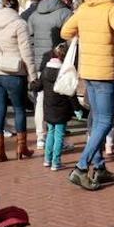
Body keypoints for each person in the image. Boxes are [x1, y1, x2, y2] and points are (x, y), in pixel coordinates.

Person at [60, 0, 114, 190]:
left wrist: (88, 35)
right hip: (104, 73)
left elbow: (66, 31)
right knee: (105, 121)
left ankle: (99, 166)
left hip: (88, 72)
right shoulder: (112, 8)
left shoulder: (85, 8)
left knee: (95, 118)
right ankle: (81, 167)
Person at [0, 0, 37, 162]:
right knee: (19, 109)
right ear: (16, 6)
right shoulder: (19, 23)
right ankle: (21, 147)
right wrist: (33, 75)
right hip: (14, 73)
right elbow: (26, 52)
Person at [28, 0, 74, 150]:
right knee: (61, 100)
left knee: (41, 100)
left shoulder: (34, 15)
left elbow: (30, 38)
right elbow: (72, 39)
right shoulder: (65, 14)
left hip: (41, 62)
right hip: (59, 62)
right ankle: (59, 139)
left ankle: (41, 136)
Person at [32, 41, 82, 171]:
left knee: (50, 133)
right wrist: (77, 109)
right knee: (59, 135)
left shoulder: (45, 71)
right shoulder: (65, 73)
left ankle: (47, 159)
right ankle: (56, 161)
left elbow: (37, 87)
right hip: (61, 109)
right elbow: (71, 94)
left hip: (48, 108)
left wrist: (32, 83)